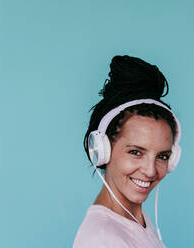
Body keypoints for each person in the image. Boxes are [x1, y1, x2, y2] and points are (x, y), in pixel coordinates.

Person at [73, 55, 182, 248]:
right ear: (102, 150)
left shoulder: (134, 219)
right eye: (135, 152)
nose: (150, 171)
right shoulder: (103, 240)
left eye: (162, 156)